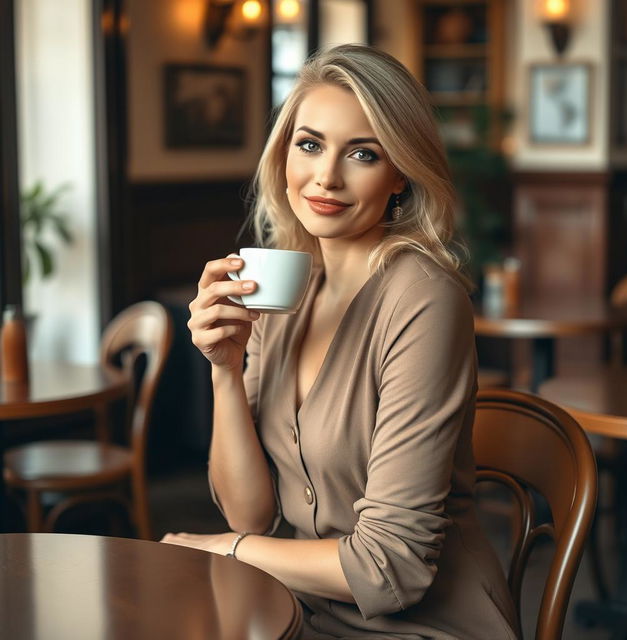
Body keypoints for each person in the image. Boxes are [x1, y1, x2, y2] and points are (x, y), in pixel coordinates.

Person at [162, 44, 518, 639]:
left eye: (362, 153)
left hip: (423, 626)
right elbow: (251, 513)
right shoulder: (284, 286)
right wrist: (224, 368)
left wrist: (223, 549)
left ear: (400, 170)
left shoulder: (423, 298)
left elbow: (391, 568)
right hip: (299, 613)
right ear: (284, 155)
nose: (326, 176)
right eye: (309, 144)